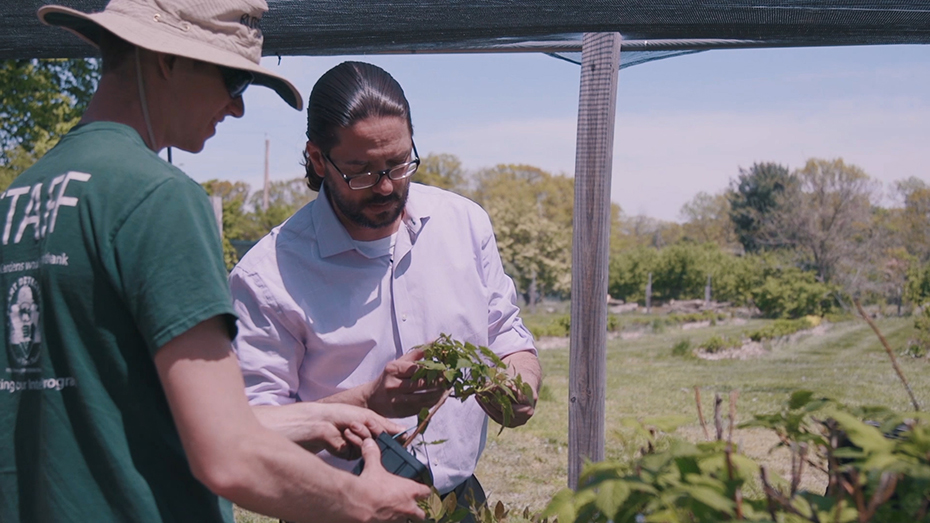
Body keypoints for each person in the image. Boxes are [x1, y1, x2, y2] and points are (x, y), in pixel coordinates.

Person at [0, 2, 430, 522]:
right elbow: (226, 453)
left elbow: (114, 400)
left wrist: (321, 416)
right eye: (233, 81)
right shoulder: (157, 197)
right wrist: (360, 502)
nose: (237, 109)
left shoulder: (20, 199)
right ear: (165, 60)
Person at [230, 61, 543, 515]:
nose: (385, 187)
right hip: (335, 509)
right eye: (361, 171)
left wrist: (520, 383)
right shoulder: (268, 274)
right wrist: (365, 400)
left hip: (457, 501)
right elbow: (249, 431)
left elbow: (505, 334)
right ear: (318, 159)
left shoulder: (464, 224)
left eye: (399, 164)